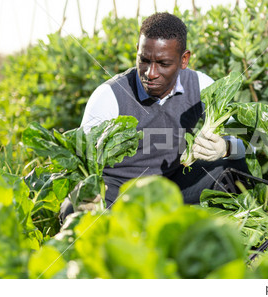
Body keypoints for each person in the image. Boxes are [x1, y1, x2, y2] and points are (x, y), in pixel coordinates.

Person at [59, 12, 248, 221]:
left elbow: (249, 144)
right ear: (137, 53)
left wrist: (225, 147)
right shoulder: (109, 97)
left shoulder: (201, 85)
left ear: (184, 59)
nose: (150, 73)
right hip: (122, 198)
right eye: (144, 60)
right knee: (73, 209)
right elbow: (79, 162)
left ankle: (222, 231)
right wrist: (87, 190)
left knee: (233, 165)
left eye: (163, 63)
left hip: (175, 191)